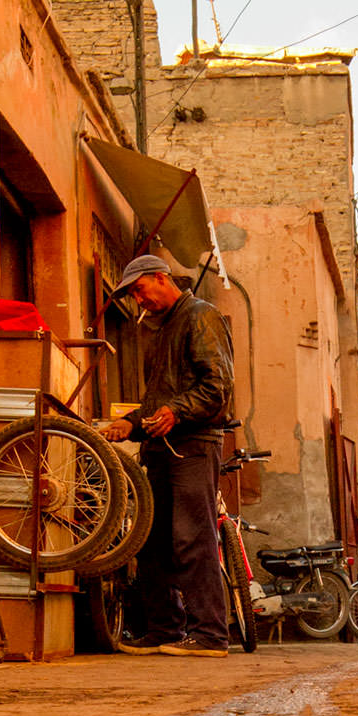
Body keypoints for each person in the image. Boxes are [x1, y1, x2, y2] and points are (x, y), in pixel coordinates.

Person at [100, 254, 234, 656]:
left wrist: (177, 412)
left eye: (140, 289)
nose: (138, 300)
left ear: (161, 278)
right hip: (160, 448)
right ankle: (165, 628)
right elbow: (161, 399)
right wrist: (132, 423)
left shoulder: (200, 316)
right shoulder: (161, 328)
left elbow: (218, 386)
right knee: (152, 539)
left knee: (192, 537)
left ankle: (210, 634)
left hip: (193, 445)